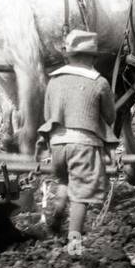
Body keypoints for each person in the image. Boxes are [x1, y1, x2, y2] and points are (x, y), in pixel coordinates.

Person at [37, 29, 117, 253]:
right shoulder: (99, 82)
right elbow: (110, 116)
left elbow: (47, 114)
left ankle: (59, 208)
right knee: (81, 196)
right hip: (83, 144)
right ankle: (74, 245)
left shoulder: (54, 81)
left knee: (64, 180)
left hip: (57, 145)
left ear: (68, 56)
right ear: (93, 57)